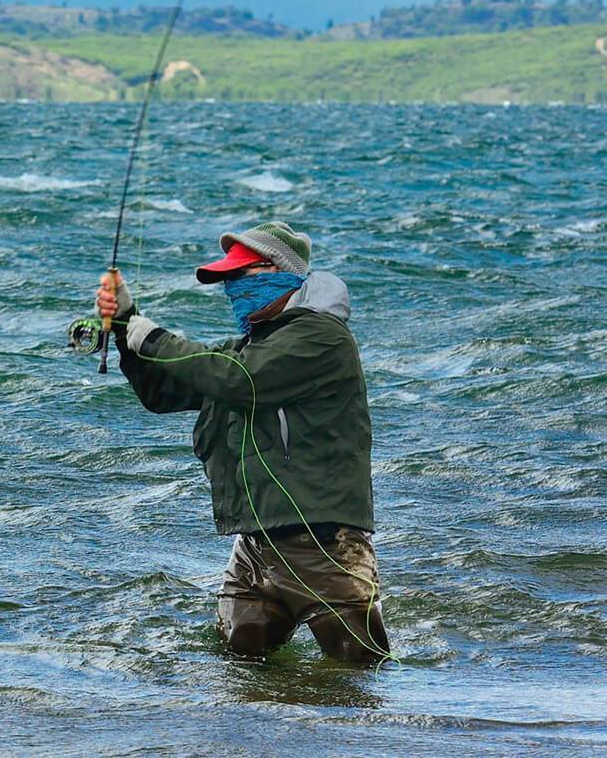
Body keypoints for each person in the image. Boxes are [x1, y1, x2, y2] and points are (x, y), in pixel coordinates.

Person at [94, 221, 391, 665]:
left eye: (239, 276)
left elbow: (239, 379)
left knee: (360, 672)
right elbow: (163, 394)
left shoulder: (321, 338)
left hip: (322, 544)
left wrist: (153, 337)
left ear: (279, 272)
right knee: (237, 668)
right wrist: (124, 329)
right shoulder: (249, 347)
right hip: (254, 547)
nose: (231, 288)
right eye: (227, 280)